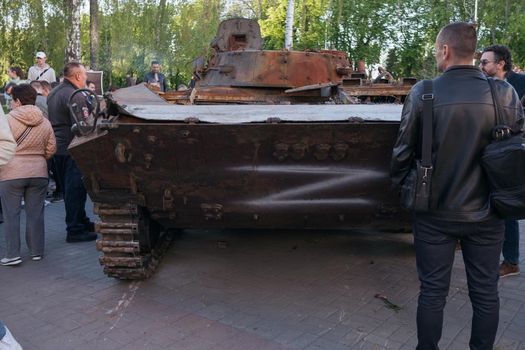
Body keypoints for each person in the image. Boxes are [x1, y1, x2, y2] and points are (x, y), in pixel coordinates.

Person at [391, 22, 523, 349]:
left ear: (445, 50)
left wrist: (401, 186)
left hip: (434, 211)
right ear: (474, 52)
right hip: (488, 213)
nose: (437, 55)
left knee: (433, 292)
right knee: (486, 293)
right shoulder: (503, 92)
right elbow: (516, 150)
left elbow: (402, 151)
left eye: (437, 50)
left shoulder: (425, 92)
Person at [479, 44, 525, 278]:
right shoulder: (483, 84)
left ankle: (511, 261)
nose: (481, 66)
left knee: (508, 203)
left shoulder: (520, 82)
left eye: (485, 62)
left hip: (512, 152)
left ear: (501, 63)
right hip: (490, 151)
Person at [0, 84, 56, 266]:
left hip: (11, 172)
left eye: (12, 100)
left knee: (11, 215)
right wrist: (38, 158)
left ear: (17, 100)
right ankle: (36, 252)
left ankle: (12, 254)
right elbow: (51, 149)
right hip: (38, 172)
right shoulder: (45, 121)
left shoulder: (7, 120)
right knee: (36, 213)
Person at [47, 62, 96, 243]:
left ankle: (81, 221)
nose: (85, 78)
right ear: (77, 76)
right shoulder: (75, 95)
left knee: (70, 190)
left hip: (58, 149)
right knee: (75, 190)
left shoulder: (54, 92)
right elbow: (85, 125)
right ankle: (74, 229)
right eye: (84, 75)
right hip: (72, 148)